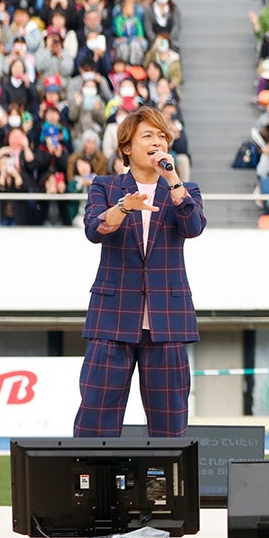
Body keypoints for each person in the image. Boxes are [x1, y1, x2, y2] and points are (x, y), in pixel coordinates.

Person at [73, 108, 205, 437]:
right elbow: (94, 230)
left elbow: (193, 227)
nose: (157, 142)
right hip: (113, 317)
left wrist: (172, 179)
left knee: (170, 423)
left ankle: (164, 489)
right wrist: (123, 207)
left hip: (167, 320)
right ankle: (93, 487)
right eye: (148, 136)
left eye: (162, 137)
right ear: (127, 147)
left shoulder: (185, 190)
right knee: (96, 416)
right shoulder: (105, 186)